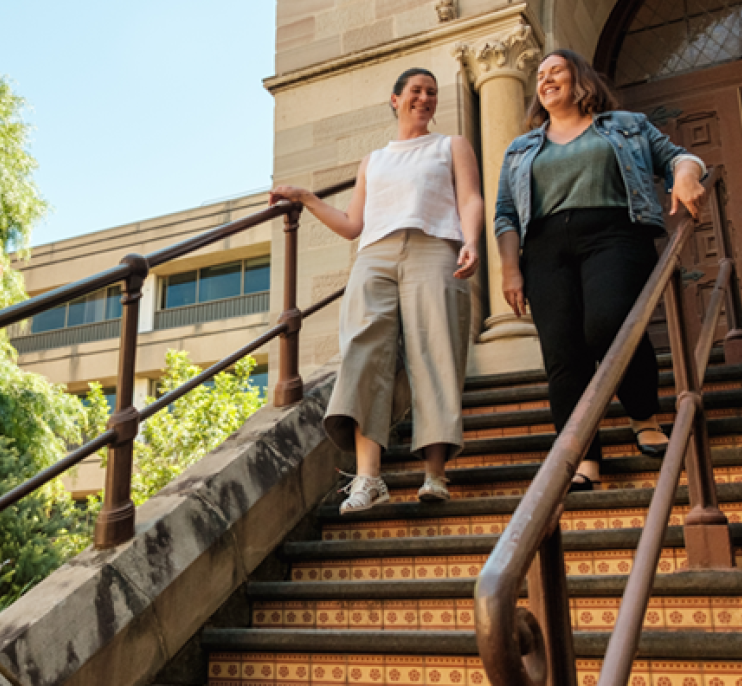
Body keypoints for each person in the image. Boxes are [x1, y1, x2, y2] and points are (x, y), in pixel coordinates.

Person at [271, 68, 483, 513]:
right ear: (394, 99)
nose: (424, 98)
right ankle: (369, 479)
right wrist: (309, 199)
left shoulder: (450, 146)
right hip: (375, 255)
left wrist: (472, 241)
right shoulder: (375, 159)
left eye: (432, 92)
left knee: (435, 353)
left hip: (433, 248)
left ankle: (435, 474)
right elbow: (352, 225)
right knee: (364, 353)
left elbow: (470, 199)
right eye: (415, 91)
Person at [494, 49, 706, 492]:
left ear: (580, 79)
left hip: (613, 235)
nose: (545, 79)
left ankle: (643, 414)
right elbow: (506, 214)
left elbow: (678, 157)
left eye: (556, 71)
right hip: (545, 249)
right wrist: (510, 268)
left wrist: (685, 175)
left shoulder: (625, 125)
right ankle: (580, 452)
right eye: (539, 74)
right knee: (563, 353)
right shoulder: (521, 147)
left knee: (609, 322)